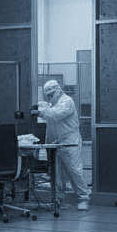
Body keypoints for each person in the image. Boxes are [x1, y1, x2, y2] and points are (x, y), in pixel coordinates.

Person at [33, 80, 91, 211]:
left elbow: (55, 115)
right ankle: (56, 199)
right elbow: (51, 120)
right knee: (56, 173)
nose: (49, 97)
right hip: (55, 143)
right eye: (47, 95)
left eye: (51, 94)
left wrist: (41, 110)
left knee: (74, 171)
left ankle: (83, 198)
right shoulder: (51, 105)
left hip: (70, 141)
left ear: (58, 90)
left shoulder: (67, 101)